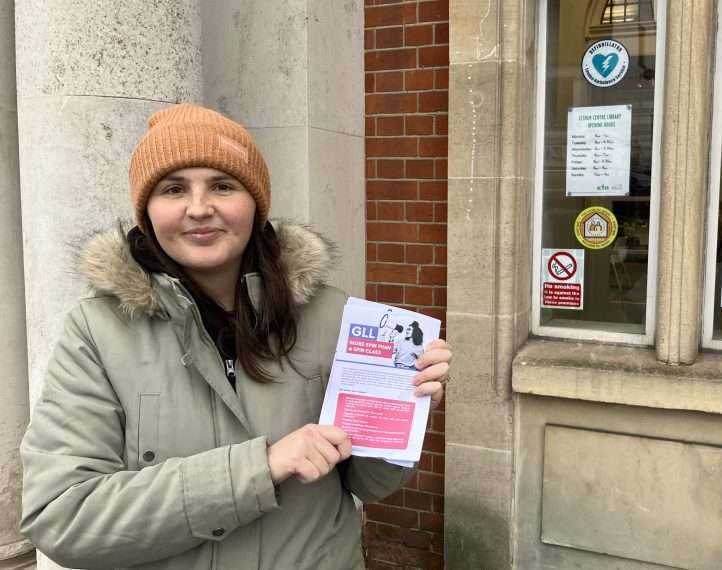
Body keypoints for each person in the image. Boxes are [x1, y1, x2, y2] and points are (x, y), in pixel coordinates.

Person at [18, 104, 451, 570]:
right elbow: (62, 515)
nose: (199, 208)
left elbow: (370, 484)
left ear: (255, 203)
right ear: (147, 210)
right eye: (174, 188)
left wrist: (404, 409)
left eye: (222, 185)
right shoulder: (98, 333)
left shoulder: (330, 314)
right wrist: (258, 469)